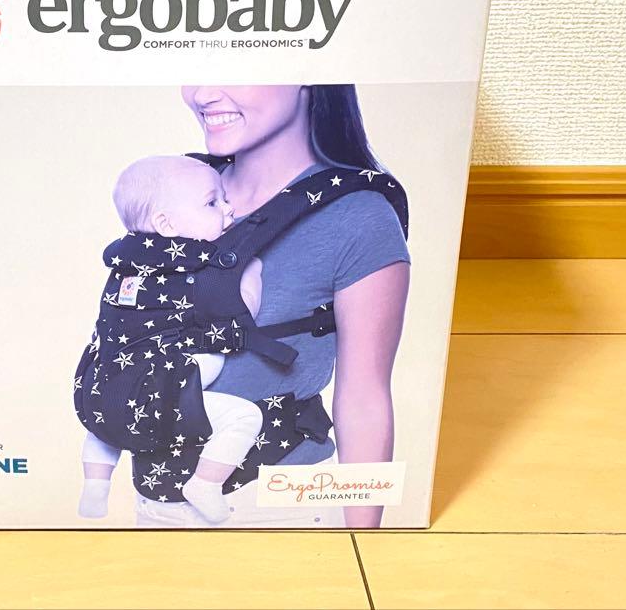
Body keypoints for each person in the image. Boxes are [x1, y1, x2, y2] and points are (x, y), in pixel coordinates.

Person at [134, 84, 410, 529]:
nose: (203, 93)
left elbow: (364, 397)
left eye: (238, 68)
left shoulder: (357, 214)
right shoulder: (172, 187)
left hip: (275, 494)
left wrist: (364, 541)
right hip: (155, 493)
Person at [79, 155, 264, 523]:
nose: (228, 208)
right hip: (166, 389)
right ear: (166, 224)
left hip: (104, 386)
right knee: (245, 417)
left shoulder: (125, 264)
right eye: (212, 202)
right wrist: (251, 274)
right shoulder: (200, 266)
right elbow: (242, 315)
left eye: (224, 198)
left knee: (107, 419)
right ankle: (205, 484)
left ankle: (95, 485)